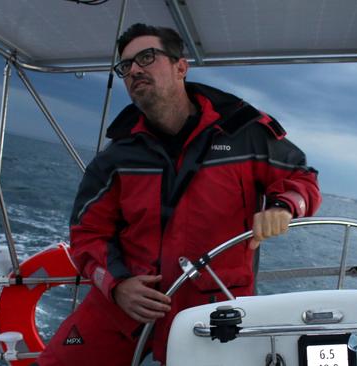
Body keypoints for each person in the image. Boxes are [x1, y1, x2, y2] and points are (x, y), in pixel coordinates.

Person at [37, 23, 321, 365]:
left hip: (213, 307)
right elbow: (87, 233)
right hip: (127, 304)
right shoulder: (116, 157)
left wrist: (284, 207)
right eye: (125, 66)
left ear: (180, 66)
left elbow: (301, 178)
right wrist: (117, 285)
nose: (134, 70)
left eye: (146, 57)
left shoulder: (245, 133)